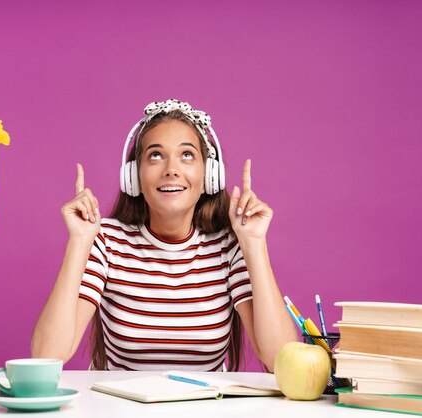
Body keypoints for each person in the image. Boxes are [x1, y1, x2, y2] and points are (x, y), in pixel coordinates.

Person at [31, 99, 296, 372]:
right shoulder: (106, 241)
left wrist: (253, 243)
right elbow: (46, 357)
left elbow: (281, 361)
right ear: (133, 178)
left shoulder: (228, 247)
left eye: (187, 155)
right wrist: (79, 242)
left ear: (210, 175)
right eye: (156, 156)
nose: (171, 169)